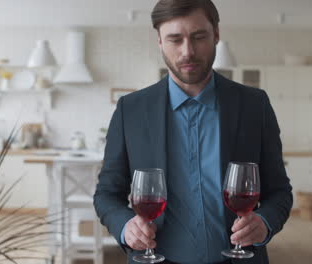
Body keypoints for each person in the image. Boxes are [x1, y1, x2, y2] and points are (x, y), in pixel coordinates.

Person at [93, 0, 293, 263]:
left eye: (198, 37)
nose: (187, 51)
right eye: (175, 39)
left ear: (216, 35)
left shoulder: (255, 105)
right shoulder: (129, 110)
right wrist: (125, 225)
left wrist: (264, 222)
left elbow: (279, 191)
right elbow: (107, 193)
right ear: (160, 41)